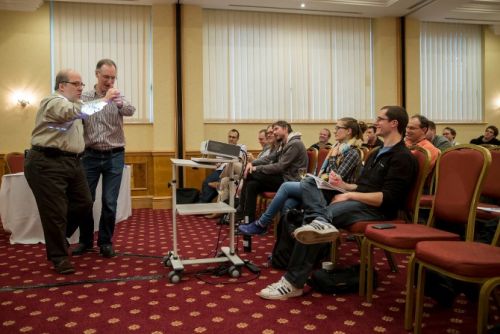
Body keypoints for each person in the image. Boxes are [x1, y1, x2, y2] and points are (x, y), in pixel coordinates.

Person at [258, 106, 418, 300]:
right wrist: (343, 186)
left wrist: (350, 196)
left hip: (378, 210)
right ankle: (320, 219)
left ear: (394, 124)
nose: (375, 122)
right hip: (359, 202)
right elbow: (361, 186)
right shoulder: (376, 153)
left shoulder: (403, 157)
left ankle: (293, 283)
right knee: (309, 182)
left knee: (315, 224)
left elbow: (388, 199)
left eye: (380, 119)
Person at [24, 69, 117, 274]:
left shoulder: (76, 106)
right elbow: (72, 112)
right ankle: (59, 256)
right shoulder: (53, 102)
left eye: (82, 84)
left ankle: (58, 237)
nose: (81, 88)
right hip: (46, 162)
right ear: (62, 86)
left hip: (73, 163)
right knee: (55, 212)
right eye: (76, 84)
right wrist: (105, 100)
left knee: (84, 203)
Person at [239, 117, 363, 236]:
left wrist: (332, 157)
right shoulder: (337, 148)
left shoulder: (352, 152)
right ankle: (283, 251)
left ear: (348, 131)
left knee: (285, 187)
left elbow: (335, 179)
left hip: (332, 192)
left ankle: (261, 224)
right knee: (287, 205)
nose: (334, 131)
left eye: (338, 128)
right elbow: (271, 158)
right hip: (321, 186)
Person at [72, 59, 136, 258]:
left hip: (114, 155)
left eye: (113, 77)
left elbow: (131, 110)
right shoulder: (85, 97)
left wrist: (119, 102)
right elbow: (81, 113)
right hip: (89, 155)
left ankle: (106, 242)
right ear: (97, 74)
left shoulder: (117, 95)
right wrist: (105, 100)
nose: (109, 81)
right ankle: (85, 241)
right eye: (106, 77)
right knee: (85, 201)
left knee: (110, 202)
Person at [237, 120, 307, 223]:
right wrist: (252, 163)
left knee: (250, 174)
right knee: (252, 184)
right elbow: (269, 158)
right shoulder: (284, 143)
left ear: (286, 128)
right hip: (281, 178)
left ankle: (240, 213)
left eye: (276, 129)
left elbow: (280, 166)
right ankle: (248, 220)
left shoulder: (295, 144)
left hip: (289, 181)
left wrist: (256, 168)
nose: (273, 132)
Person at [198, 129, 246, 203]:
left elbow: (238, 158)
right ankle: (203, 204)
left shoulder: (241, 147)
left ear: (237, 139)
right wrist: (217, 163)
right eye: (230, 137)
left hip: (232, 171)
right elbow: (218, 162)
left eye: (233, 137)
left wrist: (224, 158)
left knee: (221, 184)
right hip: (220, 171)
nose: (231, 139)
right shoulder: (222, 147)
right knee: (206, 182)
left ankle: (219, 182)